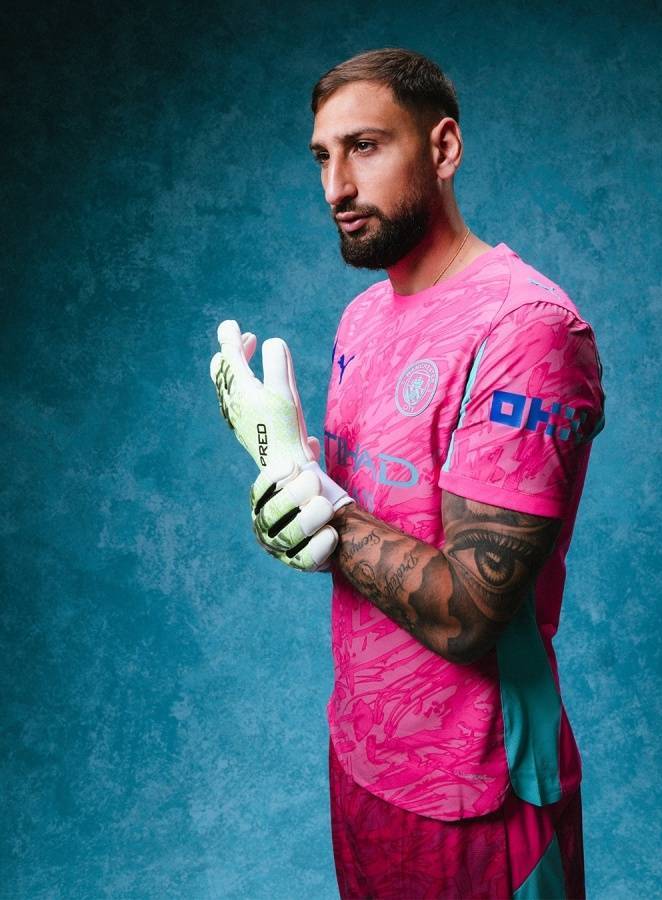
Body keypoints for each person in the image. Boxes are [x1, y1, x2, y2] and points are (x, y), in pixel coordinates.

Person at [229, 47, 606, 899]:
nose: (336, 187)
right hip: (363, 760)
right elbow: (363, 523)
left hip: (481, 795)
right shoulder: (364, 316)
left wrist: (316, 500)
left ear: (443, 148)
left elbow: (469, 611)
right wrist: (281, 482)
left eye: (365, 147)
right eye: (322, 157)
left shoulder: (527, 329)